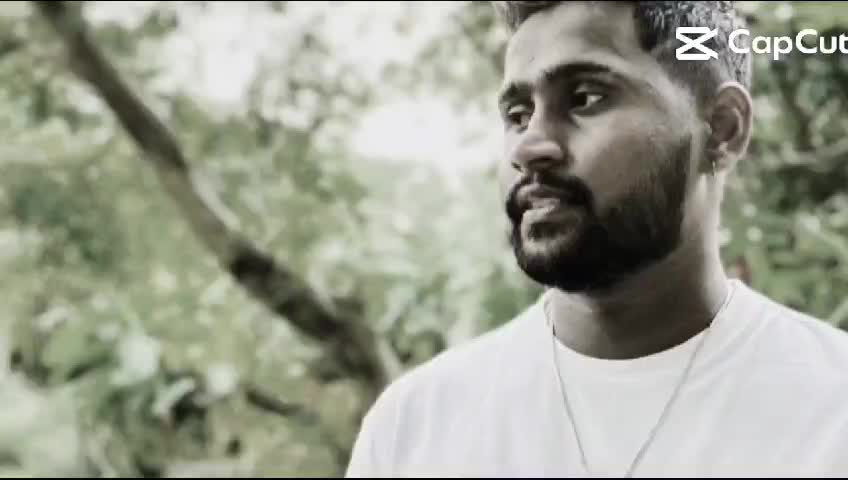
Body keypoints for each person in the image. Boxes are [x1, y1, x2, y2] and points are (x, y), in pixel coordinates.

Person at [345, 1, 848, 477]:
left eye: (585, 98)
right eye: (518, 115)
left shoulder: (831, 410)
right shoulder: (415, 429)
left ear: (721, 129)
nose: (529, 146)